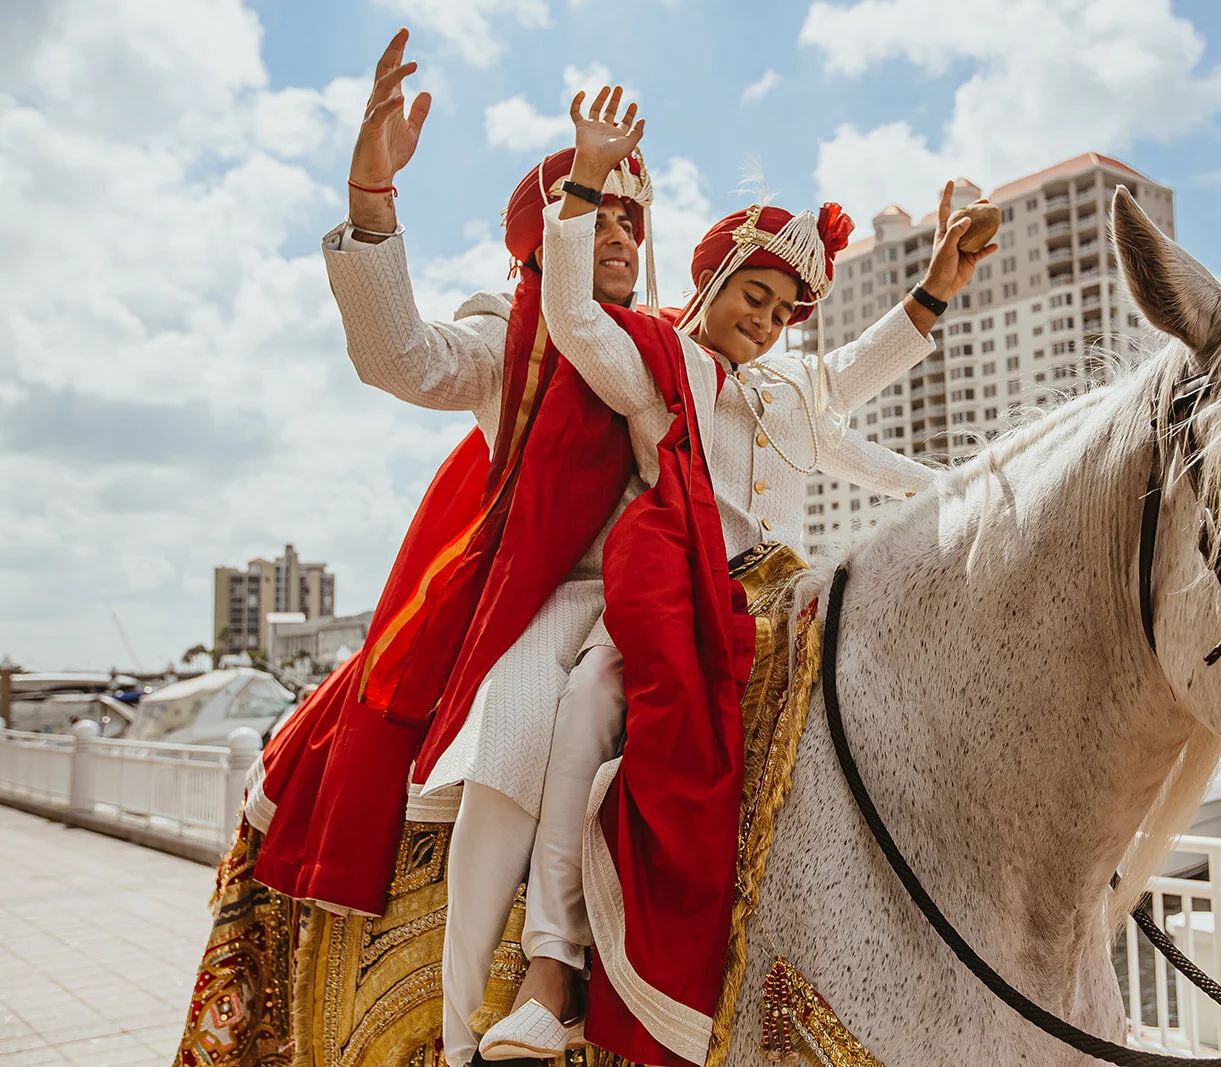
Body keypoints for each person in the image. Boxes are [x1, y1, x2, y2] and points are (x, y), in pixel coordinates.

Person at [474, 87, 993, 1065]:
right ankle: (552, 968)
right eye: (754, 297)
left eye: (786, 310)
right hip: (679, 594)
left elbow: (870, 364)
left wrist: (937, 285)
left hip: (788, 595)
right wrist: (585, 182)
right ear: (709, 286)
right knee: (589, 690)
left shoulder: (799, 383)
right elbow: (574, 312)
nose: (769, 321)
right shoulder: (657, 362)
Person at [230, 29, 656, 1067]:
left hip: (659, 597)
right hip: (543, 604)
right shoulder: (509, 334)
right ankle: (476, 1027)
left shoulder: (664, 346)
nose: (622, 236)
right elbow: (401, 358)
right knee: (515, 729)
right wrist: (372, 206)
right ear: (549, 229)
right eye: (601, 210)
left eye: (634, 222)